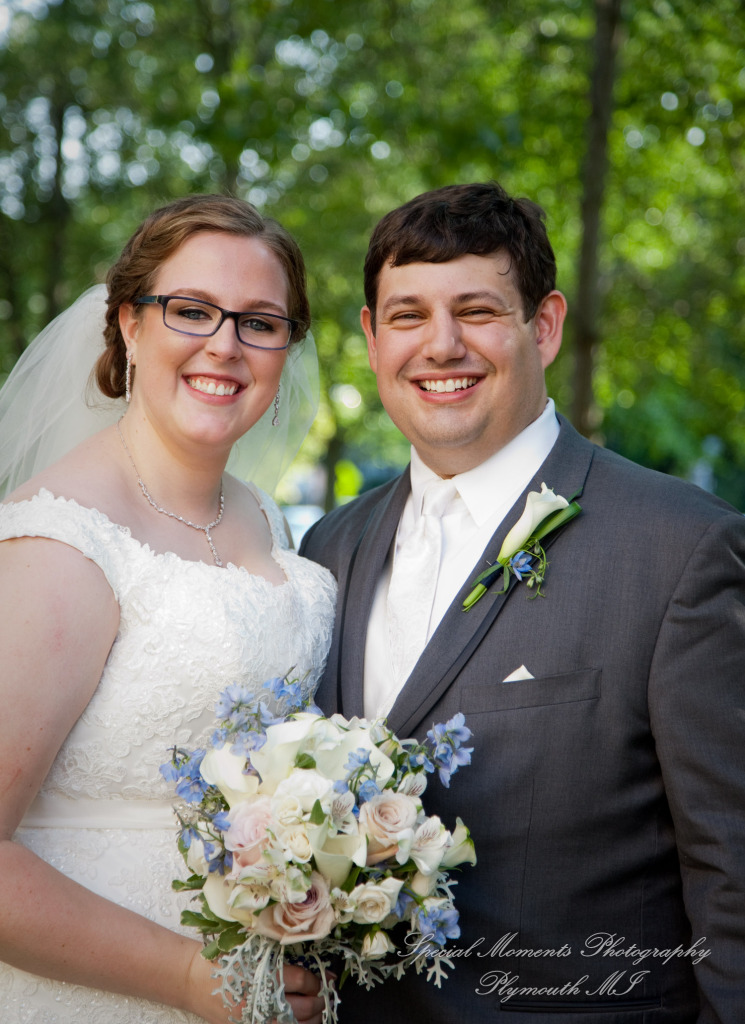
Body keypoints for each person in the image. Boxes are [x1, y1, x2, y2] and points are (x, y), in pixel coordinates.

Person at [300, 182, 745, 1023]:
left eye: (475, 311)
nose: (440, 346)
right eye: (406, 316)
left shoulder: (678, 547)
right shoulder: (328, 548)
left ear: (542, 325)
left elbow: (733, 868)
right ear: (368, 336)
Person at [0, 194, 336, 1023]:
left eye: (261, 322)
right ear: (128, 324)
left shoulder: (263, 514)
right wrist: (195, 982)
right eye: (190, 310)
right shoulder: (60, 543)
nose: (225, 344)